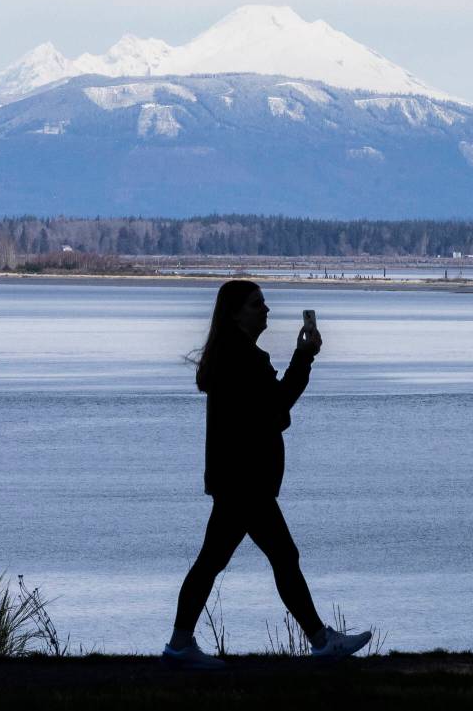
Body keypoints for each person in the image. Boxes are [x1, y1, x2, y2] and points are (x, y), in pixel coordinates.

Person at [162, 280, 371, 669]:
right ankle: (320, 640)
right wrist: (304, 357)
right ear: (236, 312)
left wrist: (283, 397)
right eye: (258, 304)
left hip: (237, 480)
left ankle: (180, 644)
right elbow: (276, 405)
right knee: (268, 557)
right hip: (246, 481)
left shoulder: (231, 357)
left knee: (230, 560)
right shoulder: (243, 360)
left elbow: (269, 412)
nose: (267, 310)